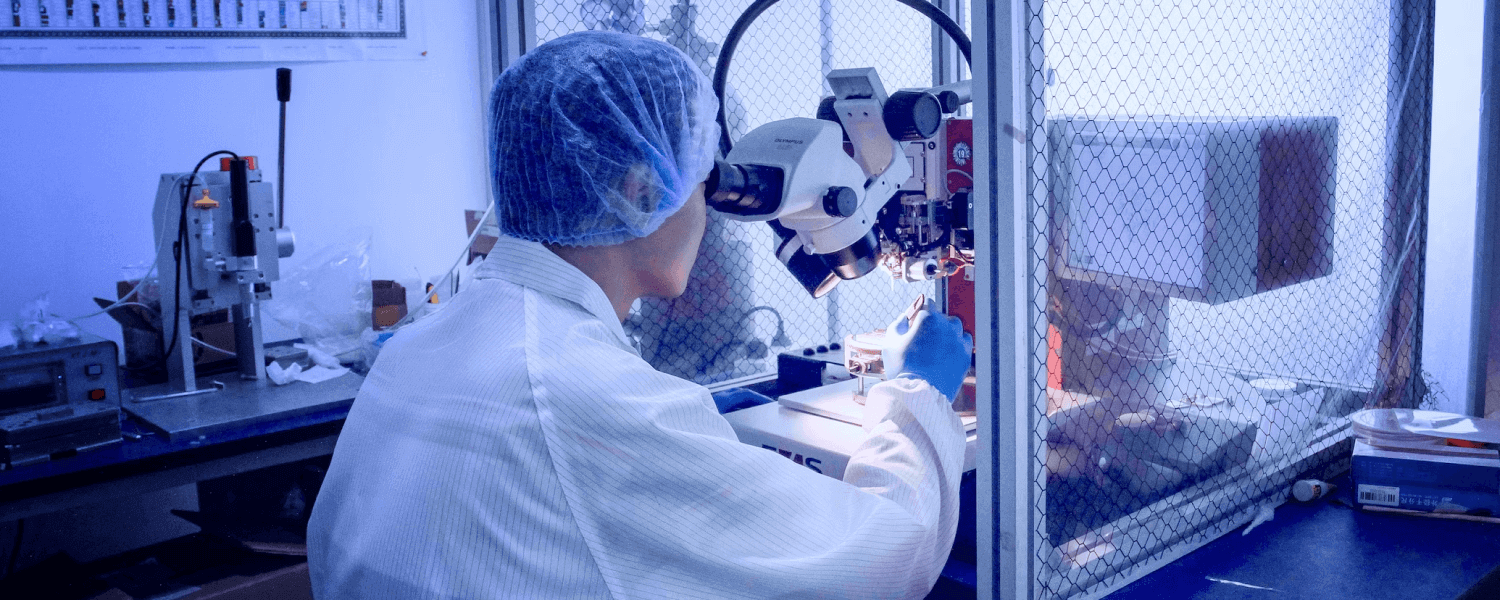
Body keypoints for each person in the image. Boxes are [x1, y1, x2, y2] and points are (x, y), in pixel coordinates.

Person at [306, 31, 973, 599]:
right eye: (701, 180)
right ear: (641, 191)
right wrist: (918, 388)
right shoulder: (588, 399)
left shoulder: (420, 345)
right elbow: (880, 555)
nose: (708, 213)